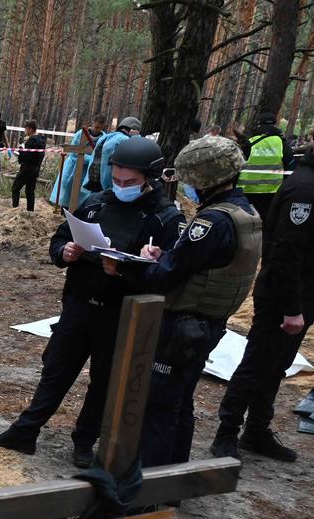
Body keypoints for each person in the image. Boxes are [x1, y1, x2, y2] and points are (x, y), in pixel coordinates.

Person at [0, 137, 184, 467]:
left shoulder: (164, 220)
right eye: (117, 180)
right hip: (79, 305)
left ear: (149, 178)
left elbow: (170, 275)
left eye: (130, 183)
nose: (122, 187)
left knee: (104, 381)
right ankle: (26, 431)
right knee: (56, 370)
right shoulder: (97, 202)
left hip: (122, 315)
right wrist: (64, 251)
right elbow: (62, 236)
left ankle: (83, 441)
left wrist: (133, 267)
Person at [210, 113, 314, 462]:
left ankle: (256, 431)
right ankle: (227, 432)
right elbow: (285, 253)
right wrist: (291, 308)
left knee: (276, 365)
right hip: (284, 299)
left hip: (300, 296)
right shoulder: (306, 188)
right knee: (257, 364)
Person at [100, 136, 260, 467]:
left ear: (203, 178)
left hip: (183, 326)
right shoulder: (245, 213)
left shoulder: (211, 222)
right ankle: (173, 481)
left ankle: (150, 488)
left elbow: (166, 276)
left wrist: (126, 268)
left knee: (158, 407)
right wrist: (168, 255)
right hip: (208, 323)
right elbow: (195, 263)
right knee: (180, 402)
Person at [237, 111, 295, 219]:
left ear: (259, 125)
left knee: (247, 222)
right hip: (272, 192)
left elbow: (238, 165)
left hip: (248, 191)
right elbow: (290, 165)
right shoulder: (282, 142)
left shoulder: (250, 142)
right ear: (275, 125)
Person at [49, 114, 105, 207]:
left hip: (88, 172)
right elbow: (74, 152)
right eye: (96, 127)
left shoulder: (103, 138)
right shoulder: (81, 134)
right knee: (68, 193)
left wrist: (92, 160)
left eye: (100, 128)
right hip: (73, 168)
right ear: (92, 124)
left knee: (82, 197)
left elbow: (100, 155)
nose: (97, 129)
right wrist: (90, 158)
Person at [85, 116, 140, 193]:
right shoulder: (125, 140)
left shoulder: (106, 136)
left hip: (93, 181)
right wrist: (136, 139)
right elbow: (136, 157)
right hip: (107, 185)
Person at [12, 120, 46, 211]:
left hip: (27, 168)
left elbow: (27, 156)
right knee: (30, 191)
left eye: (26, 129)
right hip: (36, 168)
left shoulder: (32, 140)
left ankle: (15, 209)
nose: (25, 131)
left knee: (15, 188)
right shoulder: (42, 140)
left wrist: (20, 152)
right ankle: (30, 211)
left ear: (30, 129)